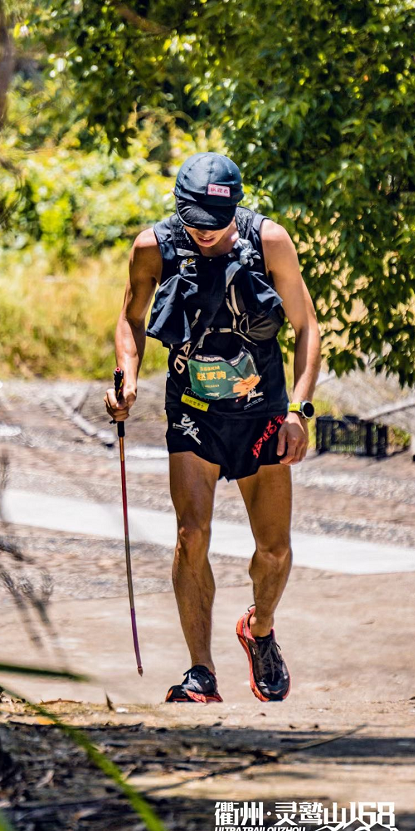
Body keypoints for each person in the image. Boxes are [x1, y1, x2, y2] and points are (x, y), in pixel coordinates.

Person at [105, 152, 321, 703]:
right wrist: (126, 376)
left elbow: (306, 327)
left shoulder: (270, 241)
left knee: (273, 551)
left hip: (263, 414)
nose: (206, 232)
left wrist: (299, 410)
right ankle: (200, 671)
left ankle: (260, 629)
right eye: (196, 221)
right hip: (193, 414)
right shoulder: (154, 246)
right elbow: (131, 318)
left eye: (217, 222)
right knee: (190, 534)